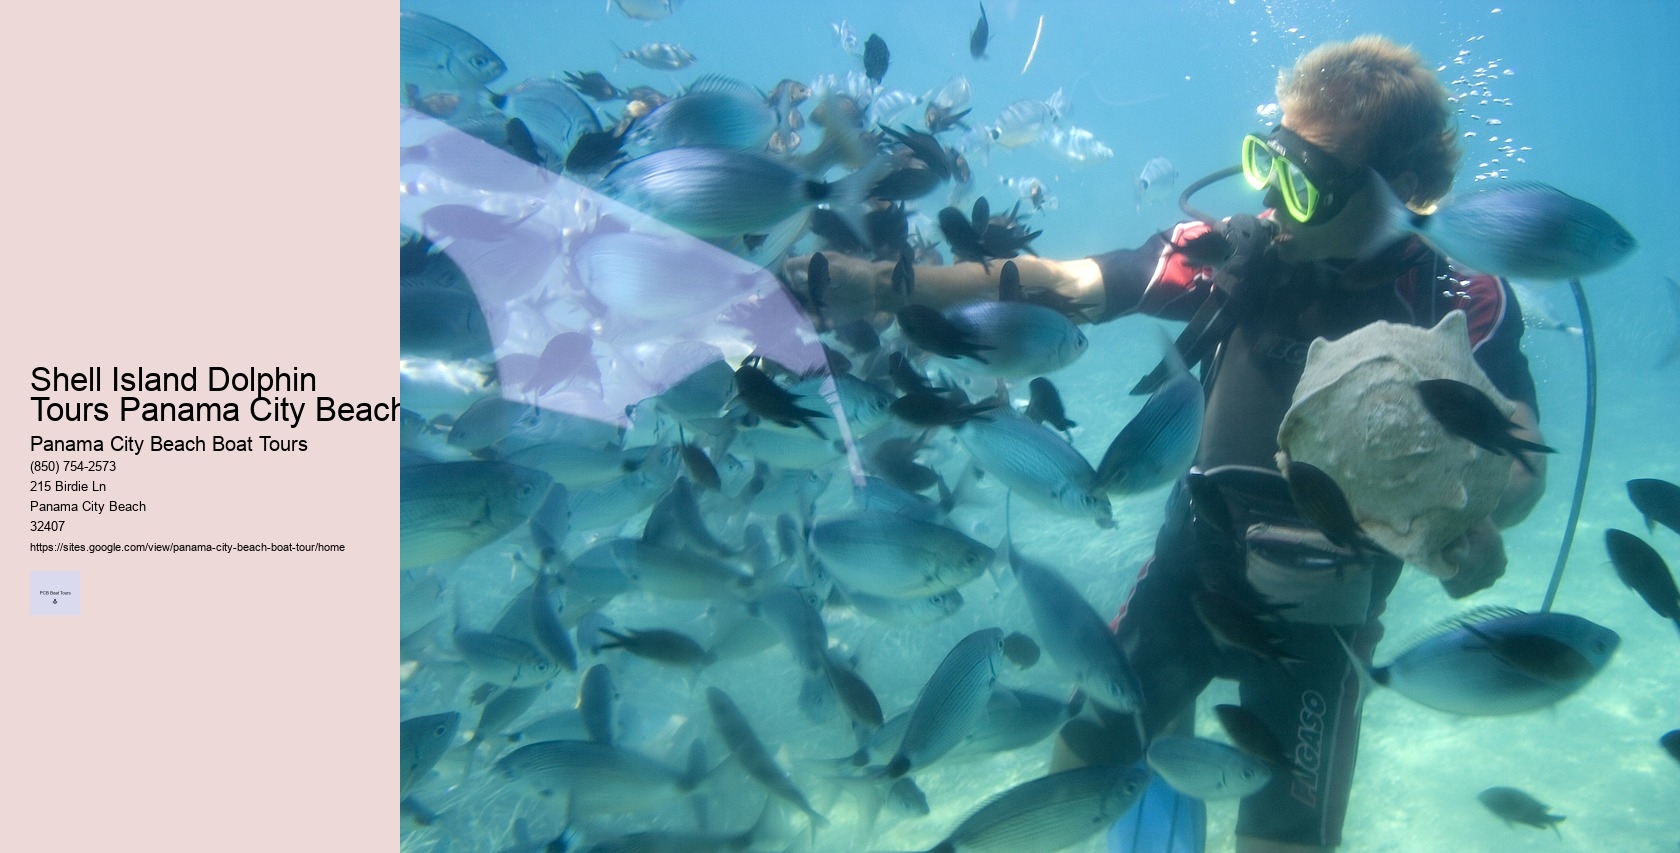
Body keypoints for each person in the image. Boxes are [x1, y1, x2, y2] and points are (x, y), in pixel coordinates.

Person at [788, 35, 1547, 853]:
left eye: (1305, 181)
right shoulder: (1240, 254)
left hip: (1323, 629)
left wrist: (1477, 519)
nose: (1275, 198)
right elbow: (1070, 282)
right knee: (1069, 786)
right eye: (1268, 163)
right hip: (1186, 584)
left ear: (1405, 189)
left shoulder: (1455, 295)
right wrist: (889, 286)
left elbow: (1521, 461)